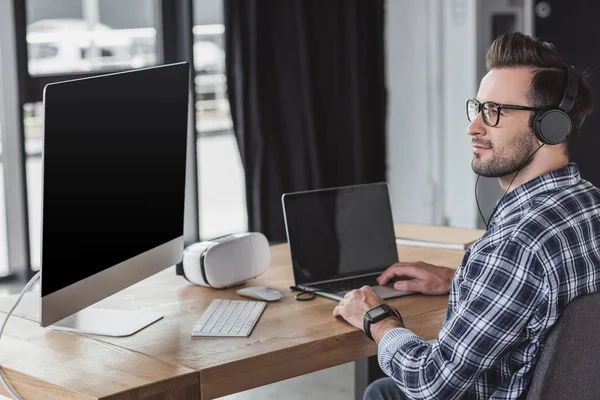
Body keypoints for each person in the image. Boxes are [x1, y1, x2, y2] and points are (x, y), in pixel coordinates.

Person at [333, 32, 598, 400]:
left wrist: (377, 319)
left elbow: (432, 382)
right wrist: (459, 278)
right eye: (478, 108)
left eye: (495, 112)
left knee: (384, 392)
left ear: (548, 128)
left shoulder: (515, 246)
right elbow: (546, 287)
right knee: (384, 391)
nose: (473, 127)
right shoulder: (590, 205)